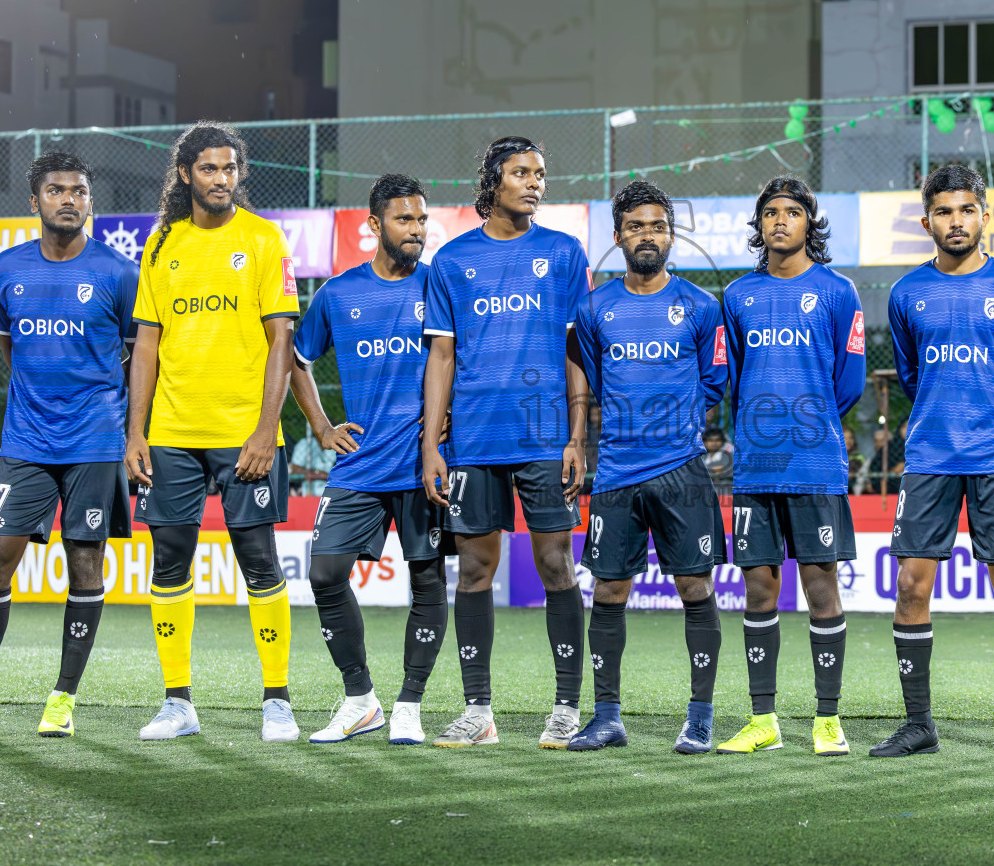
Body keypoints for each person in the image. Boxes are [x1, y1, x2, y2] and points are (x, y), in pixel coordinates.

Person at [0, 151, 137, 740]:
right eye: (55, 190)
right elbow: (10, 350)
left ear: (90, 201)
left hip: (95, 440)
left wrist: (128, 429)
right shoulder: (5, 269)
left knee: (85, 561)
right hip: (26, 439)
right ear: (34, 202)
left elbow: (136, 358)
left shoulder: (119, 272)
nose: (69, 199)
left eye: (79, 190)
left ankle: (63, 699)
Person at [125, 122, 301, 743]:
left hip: (241, 433)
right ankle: (178, 703)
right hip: (172, 431)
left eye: (229, 169)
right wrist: (135, 433)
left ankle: (277, 701)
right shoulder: (161, 244)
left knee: (257, 558)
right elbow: (147, 343)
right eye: (209, 169)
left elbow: (282, 337)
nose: (221, 179)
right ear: (185, 175)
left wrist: (264, 430)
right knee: (169, 559)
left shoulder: (262, 237)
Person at [872, 164, 994, 760]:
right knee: (909, 586)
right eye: (944, 212)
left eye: (966, 210)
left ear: (984, 216)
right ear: (927, 221)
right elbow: (910, 372)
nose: (956, 221)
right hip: (929, 456)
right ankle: (919, 723)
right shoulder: (906, 294)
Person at [420, 137, 592, 749]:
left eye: (540, 173)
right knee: (474, 570)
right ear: (493, 181)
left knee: (554, 565)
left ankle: (568, 707)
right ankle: (478, 711)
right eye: (521, 173)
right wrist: (431, 445)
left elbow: (579, 350)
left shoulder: (566, 253)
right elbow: (441, 355)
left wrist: (577, 435)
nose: (534, 183)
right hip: (473, 439)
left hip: (545, 438)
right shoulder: (452, 260)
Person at [289, 173, 453, 746]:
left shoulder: (441, 285)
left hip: (424, 463)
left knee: (427, 583)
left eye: (422, 219)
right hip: (359, 466)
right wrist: (321, 425)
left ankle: (410, 704)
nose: (417, 229)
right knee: (324, 573)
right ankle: (360, 698)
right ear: (374, 225)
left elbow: (463, 361)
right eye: (405, 219)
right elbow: (295, 359)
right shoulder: (337, 293)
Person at [565, 180, 727, 754]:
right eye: (636, 226)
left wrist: (675, 419)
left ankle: (700, 716)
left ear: (672, 234)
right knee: (608, 591)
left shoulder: (702, 307)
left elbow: (713, 382)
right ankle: (606, 717)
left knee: (693, 586)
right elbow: (588, 378)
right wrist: (579, 441)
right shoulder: (594, 308)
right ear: (618, 237)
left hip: (681, 470)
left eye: (657, 225)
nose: (648, 235)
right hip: (615, 475)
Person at [718, 175, 866, 756]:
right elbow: (729, 377)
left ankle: (827, 721)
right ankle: (764, 721)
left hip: (815, 464)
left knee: (820, 587)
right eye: (770, 213)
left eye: (792, 212)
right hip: (755, 466)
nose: (780, 221)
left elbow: (848, 382)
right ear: (759, 226)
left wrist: (808, 421)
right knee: (758, 589)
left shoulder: (837, 291)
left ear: (811, 223)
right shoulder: (737, 296)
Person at [289, 428, 336, 496]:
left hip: (330, 486)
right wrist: (321, 474)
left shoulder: (334, 447)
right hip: (306, 487)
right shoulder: (306, 443)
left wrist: (326, 476)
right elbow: (295, 469)